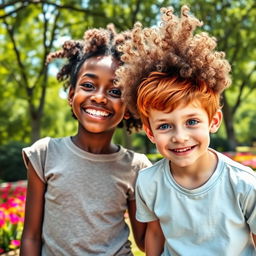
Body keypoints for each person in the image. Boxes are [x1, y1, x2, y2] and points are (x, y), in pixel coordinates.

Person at [116, 5, 256, 255]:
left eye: (192, 122)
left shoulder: (244, 184)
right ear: (150, 132)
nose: (179, 136)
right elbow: (155, 235)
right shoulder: (149, 183)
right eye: (165, 126)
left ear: (214, 121)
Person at [20, 24, 151, 256]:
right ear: (71, 95)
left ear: (129, 106)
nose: (99, 97)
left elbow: (145, 242)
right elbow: (31, 236)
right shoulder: (45, 154)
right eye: (89, 86)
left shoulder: (136, 167)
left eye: (115, 91)